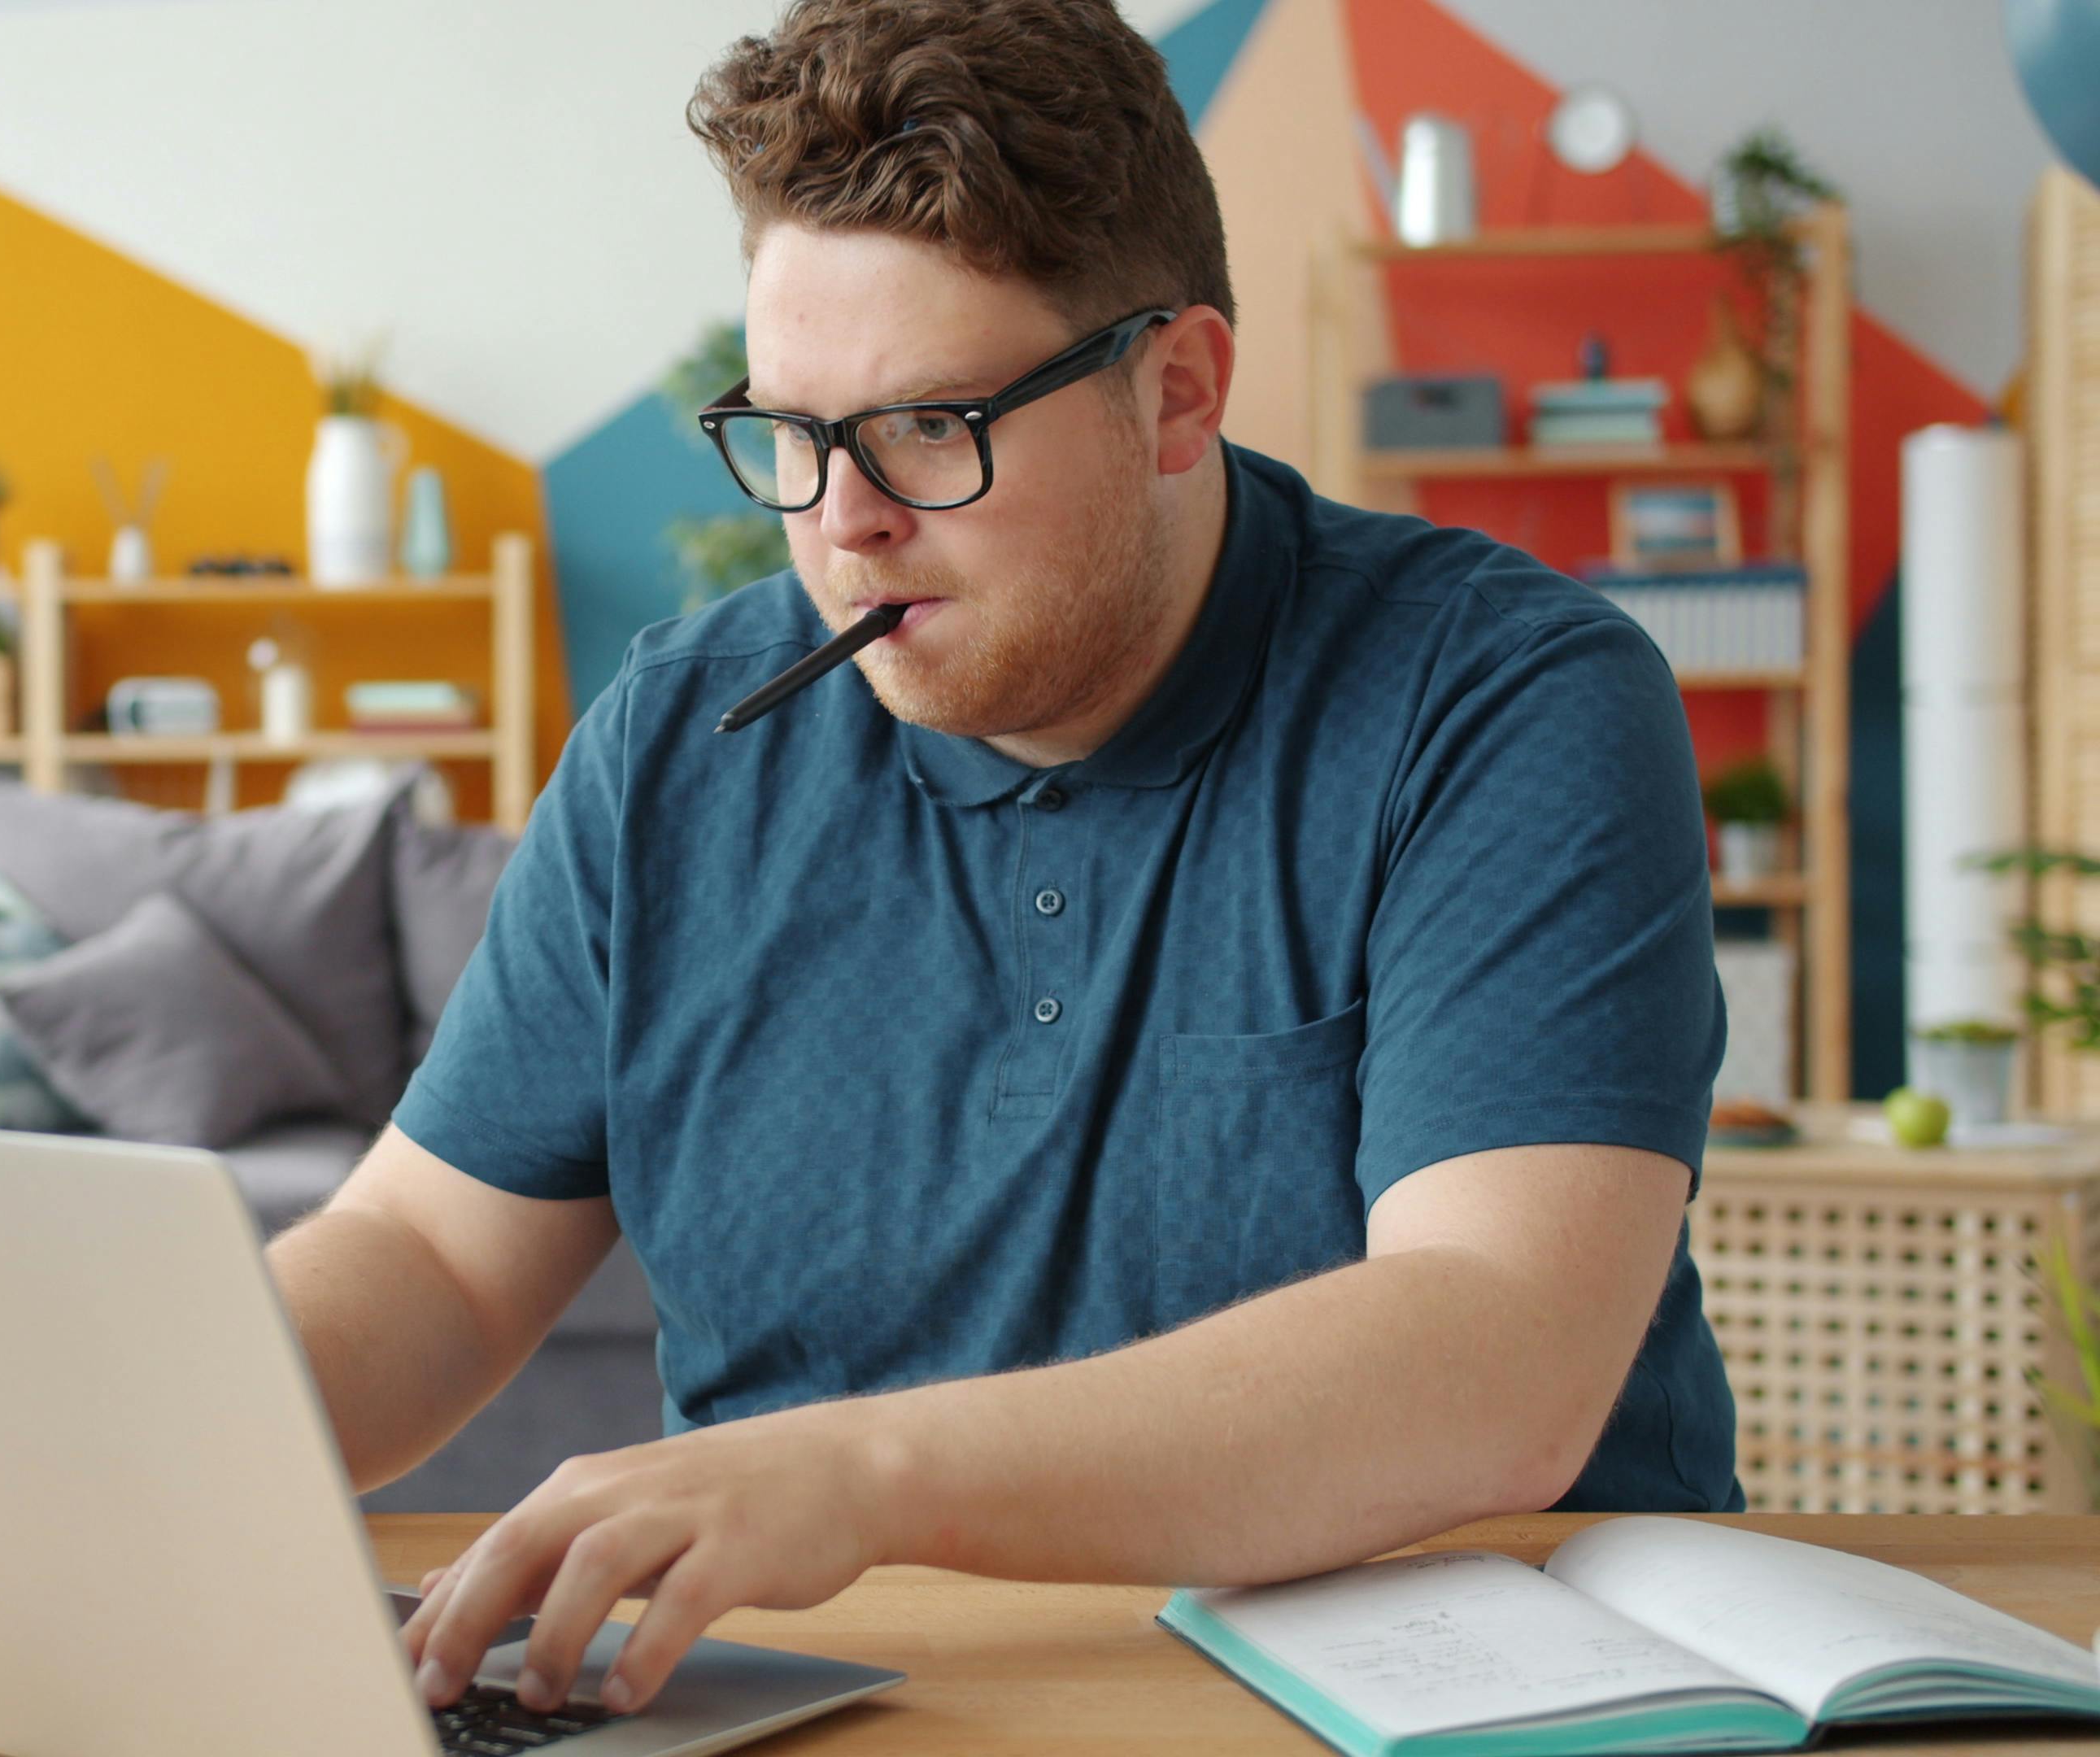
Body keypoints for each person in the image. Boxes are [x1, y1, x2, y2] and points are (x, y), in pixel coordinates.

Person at [269, 0, 1735, 1720]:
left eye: (925, 429)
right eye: (792, 435)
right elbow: (434, 1261)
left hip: (1449, 1711)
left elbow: (1499, 1348)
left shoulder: (1504, 703)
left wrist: (861, 1475)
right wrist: (102, 1421)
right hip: (802, 1710)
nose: (840, 525)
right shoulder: (676, 741)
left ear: (1176, 390)